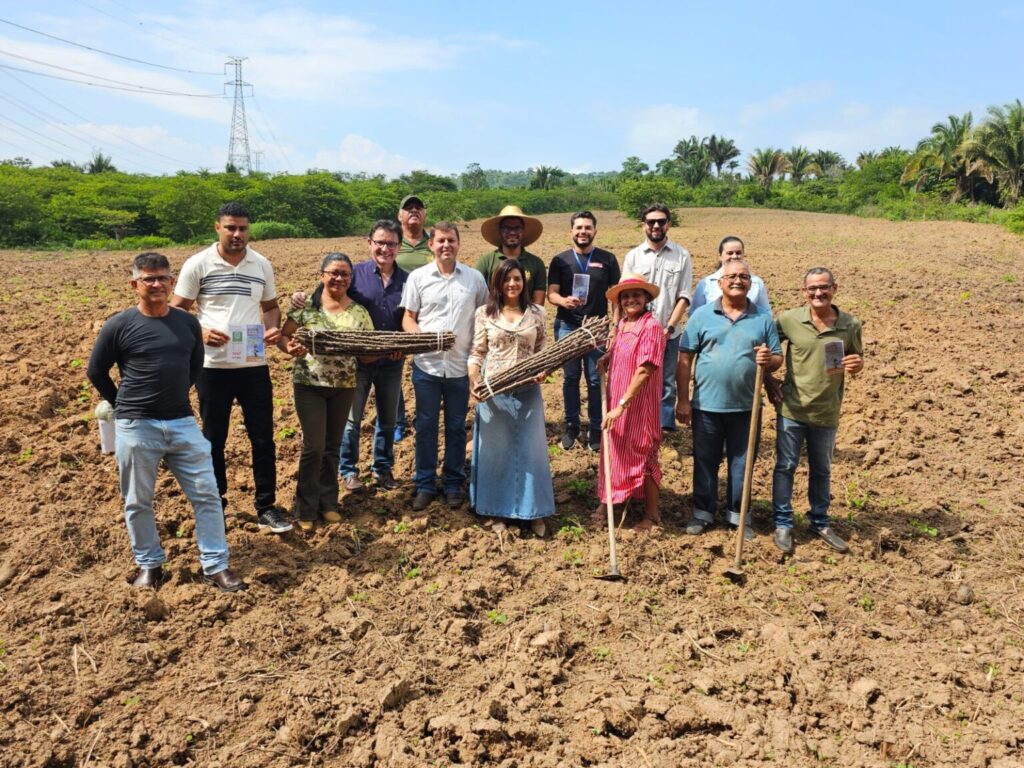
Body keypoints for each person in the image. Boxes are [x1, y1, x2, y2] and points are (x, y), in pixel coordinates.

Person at [87, 252, 246, 592]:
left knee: (207, 494)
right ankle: (149, 565)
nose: (157, 284)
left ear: (172, 281)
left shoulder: (186, 322)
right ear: (135, 284)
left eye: (163, 278)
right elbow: (96, 370)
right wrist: (122, 405)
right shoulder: (119, 325)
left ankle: (215, 565)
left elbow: (195, 365)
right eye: (149, 279)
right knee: (138, 500)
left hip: (182, 423)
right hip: (136, 426)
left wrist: (176, 395)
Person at [171, 202, 292, 534]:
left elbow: (270, 308)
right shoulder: (198, 264)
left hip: (253, 363)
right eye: (231, 228)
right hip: (212, 367)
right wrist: (200, 331)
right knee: (214, 439)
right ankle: (216, 504)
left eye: (243, 228)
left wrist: (271, 328)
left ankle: (266, 506)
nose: (237, 234)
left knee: (263, 438)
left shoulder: (261, 265)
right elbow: (177, 310)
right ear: (218, 228)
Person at [676, 259, 783, 540]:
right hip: (706, 405)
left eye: (744, 277)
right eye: (732, 276)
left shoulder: (762, 318)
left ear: (751, 283)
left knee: (742, 462)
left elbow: (777, 358)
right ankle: (702, 512)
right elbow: (685, 358)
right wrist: (683, 400)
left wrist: (768, 360)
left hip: (746, 406)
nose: (738, 280)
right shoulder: (701, 316)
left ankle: (739, 515)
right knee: (705, 460)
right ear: (720, 283)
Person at [769, 267, 864, 555]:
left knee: (821, 470)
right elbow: (768, 349)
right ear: (804, 291)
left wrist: (857, 364)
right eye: (812, 289)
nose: (818, 293)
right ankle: (783, 523)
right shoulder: (788, 320)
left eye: (824, 287)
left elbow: (857, 357)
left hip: (827, 410)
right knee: (785, 467)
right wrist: (768, 378)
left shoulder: (850, 324)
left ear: (835, 288)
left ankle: (820, 522)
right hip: (793, 409)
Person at [278, 253, 374, 532]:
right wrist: (290, 348)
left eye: (345, 274)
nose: (339, 279)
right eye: (334, 273)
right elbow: (285, 336)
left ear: (350, 279)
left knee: (332, 446)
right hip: (309, 384)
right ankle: (304, 507)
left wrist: (383, 352)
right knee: (314, 446)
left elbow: (367, 354)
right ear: (322, 275)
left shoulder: (359, 312)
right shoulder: (306, 308)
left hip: (343, 386)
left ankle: (329, 503)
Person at [402, 222, 488, 511]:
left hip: (460, 367)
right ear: (431, 245)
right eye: (440, 241)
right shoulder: (418, 277)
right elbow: (408, 317)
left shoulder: (474, 279)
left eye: (451, 240)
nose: (446, 245)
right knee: (425, 426)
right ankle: (425, 484)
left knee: (455, 427)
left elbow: (484, 317)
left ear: (459, 243)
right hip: (427, 366)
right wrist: (421, 339)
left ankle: (453, 483)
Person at [468, 259, 555, 537]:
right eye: (507, 279)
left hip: (528, 391)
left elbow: (544, 350)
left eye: (517, 278)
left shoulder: (537, 312)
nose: (512, 284)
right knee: (497, 452)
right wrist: (474, 378)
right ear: (498, 283)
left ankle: (534, 513)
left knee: (531, 452)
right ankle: (498, 511)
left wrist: (544, 371)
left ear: (524, 282)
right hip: (495, 392)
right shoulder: (484, 313)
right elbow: (477, 352)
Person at [339, 221, 408, 492]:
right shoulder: (354, 274)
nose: (385, 248)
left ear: (398, 247)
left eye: (391, 244)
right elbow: (327, 298)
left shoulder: (407, 279)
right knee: (352, 420)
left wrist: (404, 344)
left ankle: (383, 469)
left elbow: (412, 317)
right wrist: (300, 299)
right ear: (369, 243)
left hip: (392, 361)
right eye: (379, 242)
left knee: (388, 419)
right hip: (359, 362)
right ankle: (348, 470)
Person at [597, 274, 667, 531]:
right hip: (618, 399)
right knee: (613, 448)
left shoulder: (650, 327)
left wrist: (622, 404)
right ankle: (607, 502)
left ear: (646, 298)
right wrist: (608, 357)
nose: (631, 300)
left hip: (638, 405)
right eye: (625, 296)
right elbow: (622, 354)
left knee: (644, 453)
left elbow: (645, 369)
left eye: (637, 295)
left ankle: (651, 514)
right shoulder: (623, 325)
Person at [547, 210, 621, 452]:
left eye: (587, 227)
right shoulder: (560, 260)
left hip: (597, 327)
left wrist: (615, 328)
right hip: (568, 326)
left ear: (595, 231)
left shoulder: (608, 259)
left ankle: (596, 430)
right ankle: (571, 427)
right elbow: (551, 293)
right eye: (578, 228)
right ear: (571, 231)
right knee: (570, 378)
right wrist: (562, 301)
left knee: (594, 378)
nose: (583, 232)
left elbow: (616, 298)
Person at [622, 203, 693, 431]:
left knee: (666, 383)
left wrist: (668, 329)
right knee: (637, 379)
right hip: (638, 333)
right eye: (651, 222)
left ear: (668, 224)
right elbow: (623, 295)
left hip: (668, 332)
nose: (656, 225)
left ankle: (663, 430)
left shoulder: (681, 255)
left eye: (661, 221)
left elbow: (683, 296)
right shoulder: (633, 256)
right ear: (644, 226)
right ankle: (638, 425)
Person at [393, 194, 430, 442]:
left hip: (428, 314)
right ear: (400, 216)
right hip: (397, 311)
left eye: (418, 208)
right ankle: (398, 420)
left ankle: (424, 416)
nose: (413, 211)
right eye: (408, 208)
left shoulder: (434, 241)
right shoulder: (394, 242)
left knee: (426, 368)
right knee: (394, 367)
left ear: (424, 215)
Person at [477, 205, 547, 305]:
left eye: (517, 228)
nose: (512, 232)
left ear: (523, 231)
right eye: (507, 228)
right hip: (494, 318)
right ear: (500, 231)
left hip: (527, 318)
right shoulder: (485, 262)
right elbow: (479, 296)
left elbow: (538, 302)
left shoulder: (536, 263)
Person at [688, 236, 771, 316]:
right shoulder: (706, 283)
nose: (734, 256)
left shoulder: (756, 283)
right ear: (720, 256)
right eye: (730, 253)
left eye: (738, 253)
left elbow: (765, 312)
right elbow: (695, 314)